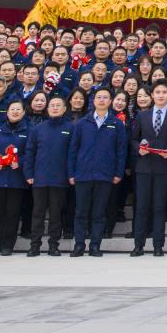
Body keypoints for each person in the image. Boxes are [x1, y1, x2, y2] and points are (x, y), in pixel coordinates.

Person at [70, 89, 126, 257]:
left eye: (105, 97)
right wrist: (71, 173)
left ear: (110, 101)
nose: (101, 100)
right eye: (98, 97)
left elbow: (121, 151)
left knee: (99, 212)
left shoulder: (116, 124)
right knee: (81, 212)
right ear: (93, 101)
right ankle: (79, 245)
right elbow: (73, 150)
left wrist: (118, 173)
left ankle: (95, 245)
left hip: (105, 174)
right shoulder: (82, 123)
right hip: (83, 174)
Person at [130, 81, 167, 256]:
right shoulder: (142, 115)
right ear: (152, 95)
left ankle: (158, 246)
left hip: (164, 167)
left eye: (164, 92)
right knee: (141, 207)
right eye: (157, 92)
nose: (161, 95)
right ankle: (138, 245)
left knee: (160, 207)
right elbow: (133, 139)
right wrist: (139, 149)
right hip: (144, 167)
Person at [24, 94, 75, 256]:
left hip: (60, 178)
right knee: (38, 213)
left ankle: (53, 245)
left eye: (58, 105)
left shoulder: (71, 128)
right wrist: (29, 173)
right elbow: (30, 152)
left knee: (56, 214)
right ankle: (35, 245)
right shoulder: (37, 129)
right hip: (39, 178)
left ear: (64, 109)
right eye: (52, 105)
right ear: (47, 108)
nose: (54, 108)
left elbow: (73, 154)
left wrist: (70, 174)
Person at [0, 101, 29, 256]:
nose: (15, 112)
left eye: (18, 109)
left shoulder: (28, 131)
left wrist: (20, 162)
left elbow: (30, 153)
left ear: (23, 112)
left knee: (12, 213)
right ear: (7, 112)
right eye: (12, 109)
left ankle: (7, 245)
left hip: (16, 180)